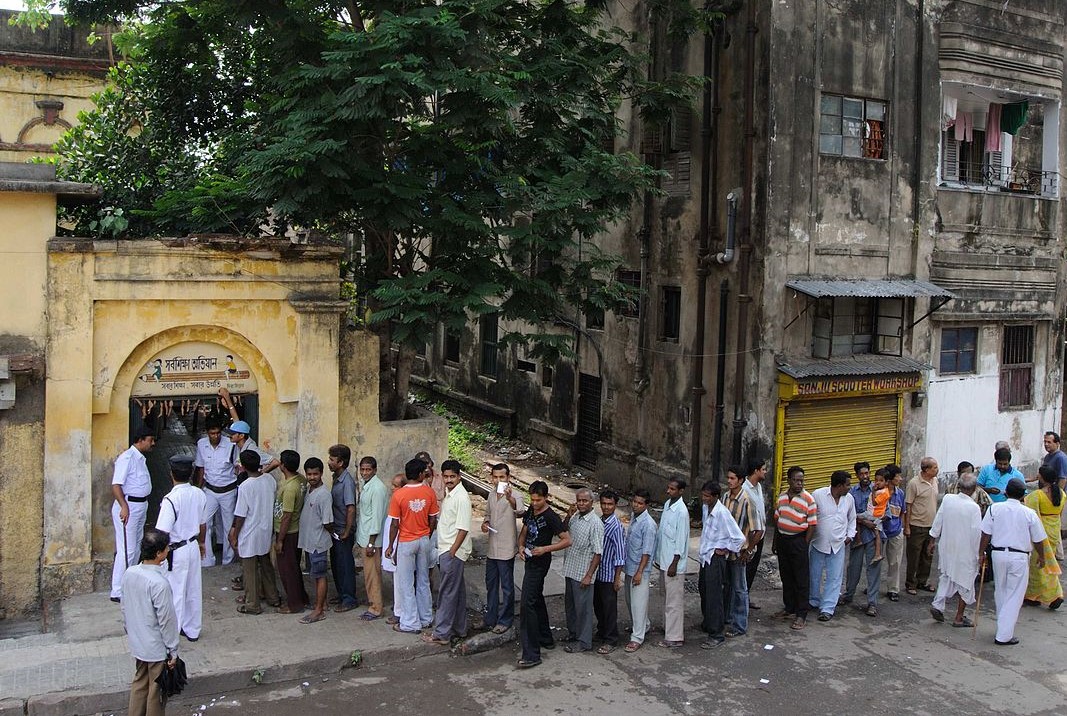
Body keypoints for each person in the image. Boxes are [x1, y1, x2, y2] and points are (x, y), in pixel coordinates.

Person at [979, 478, 1047, 645]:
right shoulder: (1029, 513)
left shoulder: (995, 508)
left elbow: (985, 533)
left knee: (1001, 590)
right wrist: (1042, 556)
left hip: (998, 554)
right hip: (1019, 556)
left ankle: (1003, 626)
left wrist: (980, 552)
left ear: (1006, 492)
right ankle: (1004, 635)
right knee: (1015, 594)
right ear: (1023, 495)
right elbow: (1038, 539)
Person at [122, 528, 179, 716]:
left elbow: (124, 606)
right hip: (155, 646)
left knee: (139, 684)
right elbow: (167, 620)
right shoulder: (159, 584)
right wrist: (173, 650)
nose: (168, 550)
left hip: (138, 642)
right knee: (156, 692)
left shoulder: (130, 573)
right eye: (166, 548)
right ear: (158, 554)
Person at [517, 480, 572, 669]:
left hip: (540, 563)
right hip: (530, 559)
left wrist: (545, 549)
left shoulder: (551, 516)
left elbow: (566, 540)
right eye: (532, 499)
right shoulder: (531, 511)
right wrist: (521, 546)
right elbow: (524, 530)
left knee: (527, 604)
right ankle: (545, 638)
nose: (534, 503)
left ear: (546, 498)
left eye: (538, 500)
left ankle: (531, 653)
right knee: (535, 599)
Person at [153, 455, 207, 641]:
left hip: (175, 550)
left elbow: (162, 532)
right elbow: (202, 523)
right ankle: (192, 629)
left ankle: (172, 632)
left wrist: (157, 556)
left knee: (175, 591)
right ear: (191, 473)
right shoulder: (199, 494)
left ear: (171, 474)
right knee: (193, 589)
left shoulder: (170, 499)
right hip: (192, 545)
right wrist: (201, 543)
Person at [385, 458, 439, 634]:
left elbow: (394, 524)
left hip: (406, 542)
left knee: (406, 583)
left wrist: (391, 546)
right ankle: (425, 618)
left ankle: (410, 622)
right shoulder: (429, 492)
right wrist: (427, 535)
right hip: (423, 539)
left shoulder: (398, 495)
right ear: (420, 474)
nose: (426, 473)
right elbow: (433, 519)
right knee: (423, 580)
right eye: (424, 471)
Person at [424, 460, 472, 646]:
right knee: (456, 592)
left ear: (459, 477)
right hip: (447, 549)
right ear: (442, 477)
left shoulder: (461, 498)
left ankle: (441, 634)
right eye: (446, 476)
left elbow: (463, 529)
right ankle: (460, 628)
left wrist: (452, 551)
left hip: (452, 551)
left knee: (446, 593)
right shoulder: (450, 493)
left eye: (453, 476)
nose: (449, 479)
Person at [927, 472, 982, 628]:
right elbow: (976, 533)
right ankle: (958, 617)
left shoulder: (948, 499)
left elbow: (938, 520)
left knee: (946, 576)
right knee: (966, 583)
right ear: (974, 489)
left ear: (959, 486)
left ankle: (938, 605)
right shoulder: (974, 508)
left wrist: (932, 541)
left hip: (947, 547)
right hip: (966, 551)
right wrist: (980, 554)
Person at [229, 450, 280, 615]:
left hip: (250, 531)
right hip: (266, 528)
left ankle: (252, 604)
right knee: (266, 564)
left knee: (250, 569)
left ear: (243, 467)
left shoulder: (245, 486)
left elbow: (241, 515)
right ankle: (273, 597)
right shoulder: (269, 480)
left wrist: (235, 533)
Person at [697, 481, 746, 649]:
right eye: (703, 495)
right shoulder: (706, 508)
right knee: (703, 589)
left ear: (716, 497)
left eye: (707, 496)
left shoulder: (722, 513)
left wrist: (725, 549)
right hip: (706, 556)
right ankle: (708, 622)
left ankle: (716, 633)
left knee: (714, 596)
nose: (704, 498)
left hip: (716, 559)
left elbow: (739, 538)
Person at [110, 427, 157, 602]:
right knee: (126, 550)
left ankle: (129, 584)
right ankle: (117, 590)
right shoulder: (127, 458)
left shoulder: (140, 458)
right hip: (129, 506)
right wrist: (124, 506)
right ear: (141, 440)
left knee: (136, 546)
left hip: (140, 505)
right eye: (150, 440)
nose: (152, 443)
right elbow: (116, 485)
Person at [481, 463, 527, 634]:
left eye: (502, 477)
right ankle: (490, 618)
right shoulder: (491, 495)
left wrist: (510, 499)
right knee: (491, 584)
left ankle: (505, 620)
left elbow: (521, 511)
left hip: (507, 547)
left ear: (508, 478)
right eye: (496, 477)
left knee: (507, 587)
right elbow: (487, 515)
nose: (498, 480)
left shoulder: (516, 494)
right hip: (492, 548)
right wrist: (485, 524)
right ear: (492, 478)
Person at [773, 466, 817, 630]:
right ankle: (789, 608)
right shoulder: (782, 497)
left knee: (801, 579)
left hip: (798, 541)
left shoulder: (808, 499)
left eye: (801, 480)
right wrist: (776, 542)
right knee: (786, 576)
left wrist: (804, 543)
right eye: (796, 480)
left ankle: (801, 614)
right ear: (788, 480)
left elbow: (812, 525)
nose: (799, 483)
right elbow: (777, 519)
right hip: (783, 540)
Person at [561, 488, 604, 654]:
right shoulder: (575, 517)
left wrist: (589, 575)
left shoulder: (595, 524)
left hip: (583, 574)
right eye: (579, 500)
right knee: (571, 607)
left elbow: (598, 553)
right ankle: (573, 634)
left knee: (583, 610)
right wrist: (567, 514)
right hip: (570, 569)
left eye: (585, 501)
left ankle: (584, 642)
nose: (581, 503)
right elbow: (563, 532)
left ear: (592, 502)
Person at [809, 470, 855, 622]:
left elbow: (852, 518)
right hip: (818, 543)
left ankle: (827, 608)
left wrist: (850, 535)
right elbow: (810, 516)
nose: (850, 487)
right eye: (848, 484)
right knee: (814, 574)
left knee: (834, 577)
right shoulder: (818, 495)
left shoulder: (849, 499)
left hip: (838, 544)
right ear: (840, 485)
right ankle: (813, 601)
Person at [194, 418, 238, 567]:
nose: (216, 436)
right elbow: (201, 468)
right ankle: (207, 560)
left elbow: (237, 468)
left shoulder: (231, 444)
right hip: (210, 490)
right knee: (204, 523)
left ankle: (228, 561)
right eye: (212, 433)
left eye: (218, 433)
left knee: (228, 526)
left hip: (228, 491)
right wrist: (198, 490)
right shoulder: (201, 444)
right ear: (207, 433)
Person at [840, 462, 882, 617]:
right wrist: (864, 521)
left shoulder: (878, 490)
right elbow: (847, 514)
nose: (865, 476)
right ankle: (848, 595)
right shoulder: (851, 492)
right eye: (862, 474)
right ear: (857, 475)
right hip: (857, 535)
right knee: (854, 568)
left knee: (873, 569)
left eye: (867, 473)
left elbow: (885, 513)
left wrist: (873, 522)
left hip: (873, 536)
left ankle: (872, 602)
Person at [722, 466, 758, 637]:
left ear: (741, 480)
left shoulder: (747, 500)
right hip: (727, 550)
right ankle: (728, 618)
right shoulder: (726, 497)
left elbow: (757, 530)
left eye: (732, 478)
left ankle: (740, 625)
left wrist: (748, 550)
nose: (729, 481)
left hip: (740, 551)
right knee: (728, 586)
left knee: (739, 589)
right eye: (728, 478)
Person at [655, 478, 690, 648]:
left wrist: (674, 563)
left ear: (681, 491)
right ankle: (668, 628)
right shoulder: (668, 504)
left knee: (674, 601)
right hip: (664, 560)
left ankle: (675, 637)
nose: (668, 491)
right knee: (665, 597)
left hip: (673, 564)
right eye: (668, 488)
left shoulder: (682, 512)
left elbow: (681, 541)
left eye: (673, 489)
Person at [297, 457, 332, 624]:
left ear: (321, 474)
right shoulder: (309, 490)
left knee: (320, 576)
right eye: (309, 474)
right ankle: (322, 604)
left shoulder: (324, 495)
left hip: (318, 542)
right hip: (309, 541)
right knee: (315, 575)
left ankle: (318, 611)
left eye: (315, 474)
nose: (312, 477)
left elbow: (327, 522)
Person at [1023, 465, 1064, 610]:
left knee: (1039, 565)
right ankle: (1039, 595)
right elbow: (1059, 514)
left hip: (1041, 532)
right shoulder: (1062, 494)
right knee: (1047, 561)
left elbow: (1031, 513)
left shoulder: (1038, 495)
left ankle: (1052, 595)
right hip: (1053, 531)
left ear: (1042, 477)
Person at [273, 450, 307, 614]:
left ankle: (294, 604)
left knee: (287, 570)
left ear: (283, 466)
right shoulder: (300, 480)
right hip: (296, 530)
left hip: (288, 532)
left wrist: (280, 540)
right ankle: (301, 597)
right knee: (294, 567)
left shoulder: (290, 488)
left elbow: (287, 515)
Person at [355, 456, 389, 621]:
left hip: (372, 540)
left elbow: (376, 518)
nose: (364, 473)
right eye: (362, 469)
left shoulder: (377, 488)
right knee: (369, 574)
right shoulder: (367, 485)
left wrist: (371, 542)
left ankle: (376, 607)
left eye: (368, 470)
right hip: (365, 537)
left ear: (375, 470)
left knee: (372, 574)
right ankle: (373, 603)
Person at [593, 489, 626, 654]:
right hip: (597, 573)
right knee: (598, 605)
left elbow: (620, 555)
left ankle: (611, 639)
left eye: (610, 504)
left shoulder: (616, 527)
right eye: (604, 504)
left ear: (615, 505)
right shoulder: (600, 521)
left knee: (609, 608)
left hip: (609, 574)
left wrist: (617, 577)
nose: (606, 507)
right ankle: (602, 631)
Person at [623, 488, 656, 653]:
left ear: (646, 505)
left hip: (639, 569)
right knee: (629, 600)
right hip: (629, 566)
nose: (636, 505)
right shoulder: (634, 518)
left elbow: (647, 552)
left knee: (638, 603)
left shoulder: (648, 525)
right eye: (634, 502)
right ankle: (644, 625)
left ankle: (637, 637)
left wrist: (640, 572)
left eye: (639, 503)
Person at [327, 444, 359, 613]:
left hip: (342, 530)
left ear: (340, 462)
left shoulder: (346, 481)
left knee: (345, 565)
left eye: (332, 459)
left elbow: (351, 508)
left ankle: (349, 599)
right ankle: (342, 594)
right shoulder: (336, 477)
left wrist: (347, 531)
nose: (329, 462)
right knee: (337, 564)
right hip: (336, 528)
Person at [218, 388, 279, 474]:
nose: (229, 435)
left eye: (232, 434)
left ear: (241, 436)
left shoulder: (251, 449)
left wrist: (260, 474)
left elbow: (275, 462)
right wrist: (227, 397)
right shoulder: (241, 443)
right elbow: (235, 417)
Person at [904, 457, 939, 595]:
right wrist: (907, 526)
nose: (937, 469)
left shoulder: (935, 481)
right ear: (926, 469)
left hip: (931, 525)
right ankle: (910, 583)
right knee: (914, 556)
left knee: (928, 554)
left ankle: (922, 581)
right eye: (934, 467)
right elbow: (909, 505)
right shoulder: (914, 483)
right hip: (916, 525)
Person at [741, 460, 768, 608]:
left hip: (760, 535)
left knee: (752, 570)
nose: (765, 472)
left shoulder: (758, 487)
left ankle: (745, 596)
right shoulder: (745, 490)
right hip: (750, 536)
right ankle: (740, 600)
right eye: (763, 469)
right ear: (756, 471)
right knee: (745, 570)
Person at [880, 465, 907, 601]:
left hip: (895, 531)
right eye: (898, 476)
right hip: (879, 531)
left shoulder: (900, 493)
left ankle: (893, 589)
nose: (900, 479)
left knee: (895, 562)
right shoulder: (879, 492)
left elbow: (903, 511)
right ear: (890, 478)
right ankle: (873, 586)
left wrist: (902, 527)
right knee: (876, 560)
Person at [383, 472, 405, 625]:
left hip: (399, 548)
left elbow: (397, 527)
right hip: (394, 547)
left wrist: (394, 548)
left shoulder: (402, 503)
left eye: (396, 486)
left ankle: (399, 612)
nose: (392, 489)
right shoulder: (395, 501)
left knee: (400, 582)